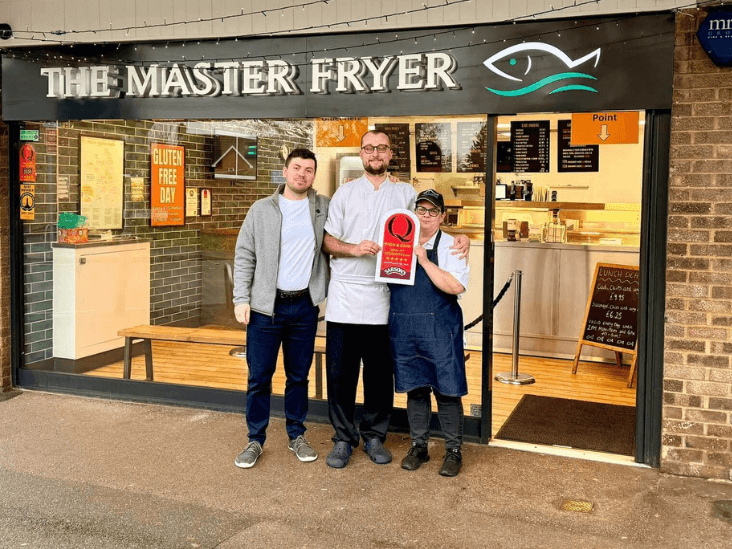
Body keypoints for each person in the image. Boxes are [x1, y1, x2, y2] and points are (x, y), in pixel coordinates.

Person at [322, 130, 470, 469]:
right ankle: (343, 439)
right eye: (370, 148)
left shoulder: (405, 193)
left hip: (383, 297)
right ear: (361, 154)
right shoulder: (344, 193)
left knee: (378, 375)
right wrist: (353, 248)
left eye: (382, 149)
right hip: (345, 295)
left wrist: (462, 238)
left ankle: (374, 436)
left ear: (390, 155)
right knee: (341, 376)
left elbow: (429, 221)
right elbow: (328, 242)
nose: (375, 154)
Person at [232, 148, 329, 469]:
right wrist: (241, 299)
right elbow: (245, 254)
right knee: (259, 377)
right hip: (265, 308)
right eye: (297, 168)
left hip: (303, 307)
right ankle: (254, 440)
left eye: (309, 170)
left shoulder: (323, 208)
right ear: (285, 172)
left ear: (314, 176)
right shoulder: (261, 210)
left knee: (298, 377)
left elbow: (354, 226)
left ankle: (296, 435)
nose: (302, 174)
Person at [389, 189, 470, 477]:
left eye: (433, 211)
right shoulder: (397, 242)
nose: (426, 216)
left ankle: (453, 451)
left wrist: (424, 260)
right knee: (416, 388)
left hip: (440, 328)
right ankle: (419, 446)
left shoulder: (452, 246)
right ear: (414, 212)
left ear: (442, 216)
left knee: (447, 391)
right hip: (405, 327)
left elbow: (455, 286)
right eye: (421, 210)